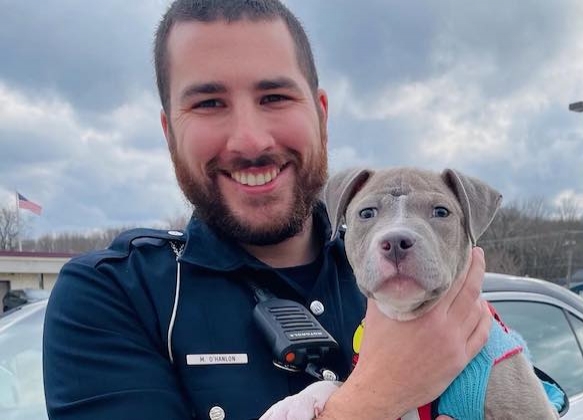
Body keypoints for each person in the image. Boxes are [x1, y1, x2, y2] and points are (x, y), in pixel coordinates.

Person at [42, 1, 492, 419]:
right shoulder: (114, 296)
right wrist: (377, 394)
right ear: (168, 130)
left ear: (321, 114)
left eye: (274, 97)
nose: (251, 140)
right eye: (209, 103)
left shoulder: (425, 269)